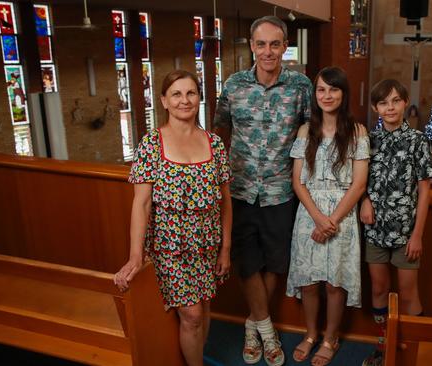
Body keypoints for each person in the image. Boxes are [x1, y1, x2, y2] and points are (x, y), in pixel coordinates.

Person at [114, 70, 232, 366]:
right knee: (191, 315)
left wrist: (225, 248)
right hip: (171, 247)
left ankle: (197, 358)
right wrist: (135, 256)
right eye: (176, 94)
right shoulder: (151, 145)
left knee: (204, 309)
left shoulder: (214, 144)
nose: (184, 100)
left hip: (207, 242)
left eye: (191, 93)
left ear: (199, 98)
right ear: (164, 101)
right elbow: (140, 205)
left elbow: (226, 203)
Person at [213, 15, 312, 366]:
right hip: (239, 190)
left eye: (274, 44)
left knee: (275, 262)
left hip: (280, 190)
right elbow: (219, 130)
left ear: (285, 47)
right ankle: (265, 333)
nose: (267, 51)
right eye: (261, 44)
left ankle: (254, 323)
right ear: (251, 46)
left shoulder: (301, 86)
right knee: (246, 262)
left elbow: (316, 128)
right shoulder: (234, 85)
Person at [286, 67, 368, 365]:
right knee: (309, 282)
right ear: (315, 94)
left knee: (334, 284)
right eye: (321, 90)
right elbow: (297, 181)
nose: (327, 95)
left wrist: (331, 220)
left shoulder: (357, 132)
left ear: (343, 94)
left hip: (342, 214)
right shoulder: (306, 131)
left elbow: (359, 184)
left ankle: (331, 338)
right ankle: (310, 334)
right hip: (309, 211)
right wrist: (318, 218)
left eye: (333, 89)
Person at [359, 79, 432, 366]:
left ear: (405, 102)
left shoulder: (418, 141)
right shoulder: (368, 140)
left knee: (407, 293)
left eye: (395, 101)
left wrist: (417, 235)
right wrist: (364, 200)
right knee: (379, 290)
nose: (389, 107)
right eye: (383, 102)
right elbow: (358, 181)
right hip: (375, 231)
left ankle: (412, 353)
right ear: (375, 107)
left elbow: (425, 190)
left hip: (406, 233)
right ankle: (385, 346)